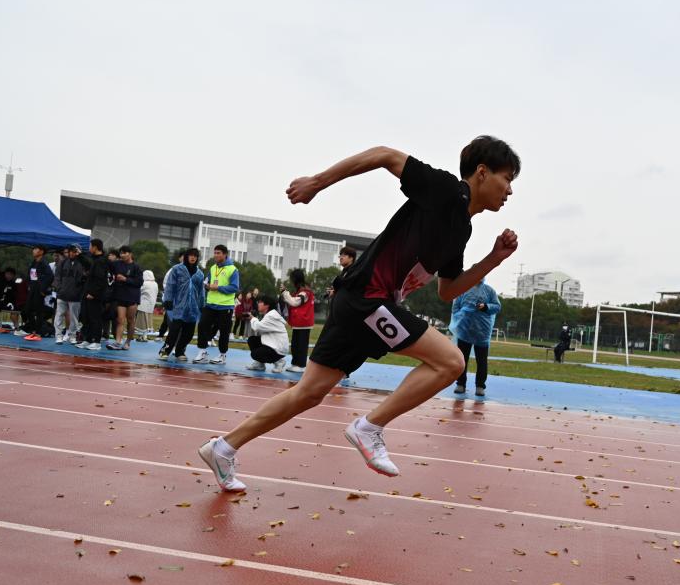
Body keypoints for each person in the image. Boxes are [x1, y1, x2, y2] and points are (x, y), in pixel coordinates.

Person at [198, 137, 520, 491]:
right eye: (507, 179)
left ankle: (223, 448)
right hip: (367, 298)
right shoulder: (445, 190)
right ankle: (369, 427)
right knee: (451, 362)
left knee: (309, 393)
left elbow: (448, 290)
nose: (509, 190)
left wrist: (494, 259)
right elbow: (384, 155)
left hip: (359, 302)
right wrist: (317, 182)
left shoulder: (462, 228)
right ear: (482, 172)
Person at [450, 278, 501, 397]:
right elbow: (455, 307)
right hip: (464, 331)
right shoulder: (463, 290)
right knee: (462, 359)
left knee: (482, 360)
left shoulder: (489, 291)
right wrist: (460, 318)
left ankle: (480, 386)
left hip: (482, 332)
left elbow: (497, 307)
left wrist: (486, 306)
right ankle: (460, 384)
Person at [194, 245, 239, 365]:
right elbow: (207, 281)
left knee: (224, 331)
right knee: (202, 325)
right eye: (215, 253)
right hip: (210, 304)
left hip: (225, 306)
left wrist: (218, 288)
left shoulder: (233, 269)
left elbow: (234, 287)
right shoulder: (213, 268)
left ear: (225, 254)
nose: (216, 255)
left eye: (218, 253)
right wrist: (206, 285)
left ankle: (222, 355)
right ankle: (202, 352)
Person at [158, 248, 205, 361]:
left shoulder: (199, 274)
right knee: (174, 331)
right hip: (178, 306)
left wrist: (201, 305)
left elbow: (201, 291)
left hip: (192, 308)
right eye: (191, 255)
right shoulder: (177, 269)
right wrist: (168, 300)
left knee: (189, 333)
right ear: (186, 256)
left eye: (195, 256)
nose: (193, 257)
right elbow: (170, 285)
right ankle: (165, 351)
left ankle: (179, 351)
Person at [107, 245, 142, 350]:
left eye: (124, 253)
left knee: (130, 320)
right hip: (120, 296)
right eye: (121, 253)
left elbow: (139, 282)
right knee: (120, 320)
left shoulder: (136, 267)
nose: (122, 255)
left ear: (130, 254)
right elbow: (106, 266)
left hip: (132, 297)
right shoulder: (117, 264)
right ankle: (118, 342)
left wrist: (125, 279)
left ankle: (128, 342)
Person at [280, 268, 314, 372]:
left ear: (296, 279)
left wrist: (285, 292)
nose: (291, 281)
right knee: (295, 345)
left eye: (292, 279)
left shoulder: (305, 292)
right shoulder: (301, 291)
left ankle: (301, 365)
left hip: (303, 323)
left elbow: (294, 302)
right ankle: (295, 364)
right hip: (299, 323)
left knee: (301, 345)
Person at [245, 293, 289, 372]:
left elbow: (257, 327)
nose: (258, 304)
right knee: (252, 340)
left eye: (260, 302)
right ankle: (260, 364)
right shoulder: (270, 314)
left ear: (267, 305)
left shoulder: (271, 316)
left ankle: (279, 362)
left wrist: (252, 318)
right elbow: (260, 330)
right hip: (274, 344)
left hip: (278, 349)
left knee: (255, 354)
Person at [53, 244, 86, 344]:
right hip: (62, 294)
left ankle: (72, 336)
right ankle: (58, 336)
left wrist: (80, 291)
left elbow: (86, 277)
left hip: (76, 295)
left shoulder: (83, 263)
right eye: (70, 251)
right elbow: (57, 277)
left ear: (79, 252)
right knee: (59, 315)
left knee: (74, 318)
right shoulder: (62, 262)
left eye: (74, 251)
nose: (72, 253)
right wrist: (59, 288)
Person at [79, 239, 109, 350]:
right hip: (87, 292)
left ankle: (96, 342)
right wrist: (79, 255)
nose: (89, 248)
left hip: (95, 295)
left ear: (95, 247)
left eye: (90, 246)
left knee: (95, 318)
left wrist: (93, 293)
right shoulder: (93, 259)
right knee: (86, 317)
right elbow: (87, 264)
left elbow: (100, 279)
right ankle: (87, 339)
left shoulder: (101, 261)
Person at [22, 245, 53, 339]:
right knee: (27, 310)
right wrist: (29, 284)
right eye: (33, 249)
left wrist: (43, 289)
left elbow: (50, 276)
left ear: (41, 252)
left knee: (39, 312)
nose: (33, 251)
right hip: (32, 289)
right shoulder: (34, 262)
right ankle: (33, 330)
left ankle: (38, 332)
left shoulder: (44, 263)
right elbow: (30, 275)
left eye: (36, 249)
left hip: (39, 290)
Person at [137, 270, 159, 341]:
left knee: (141, 322)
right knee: (147, 322)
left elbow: (139, 291)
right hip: (151, 305)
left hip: (143, 305)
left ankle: (141, 336)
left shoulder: (144, 283)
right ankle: (145, 336)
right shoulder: (155, 284)